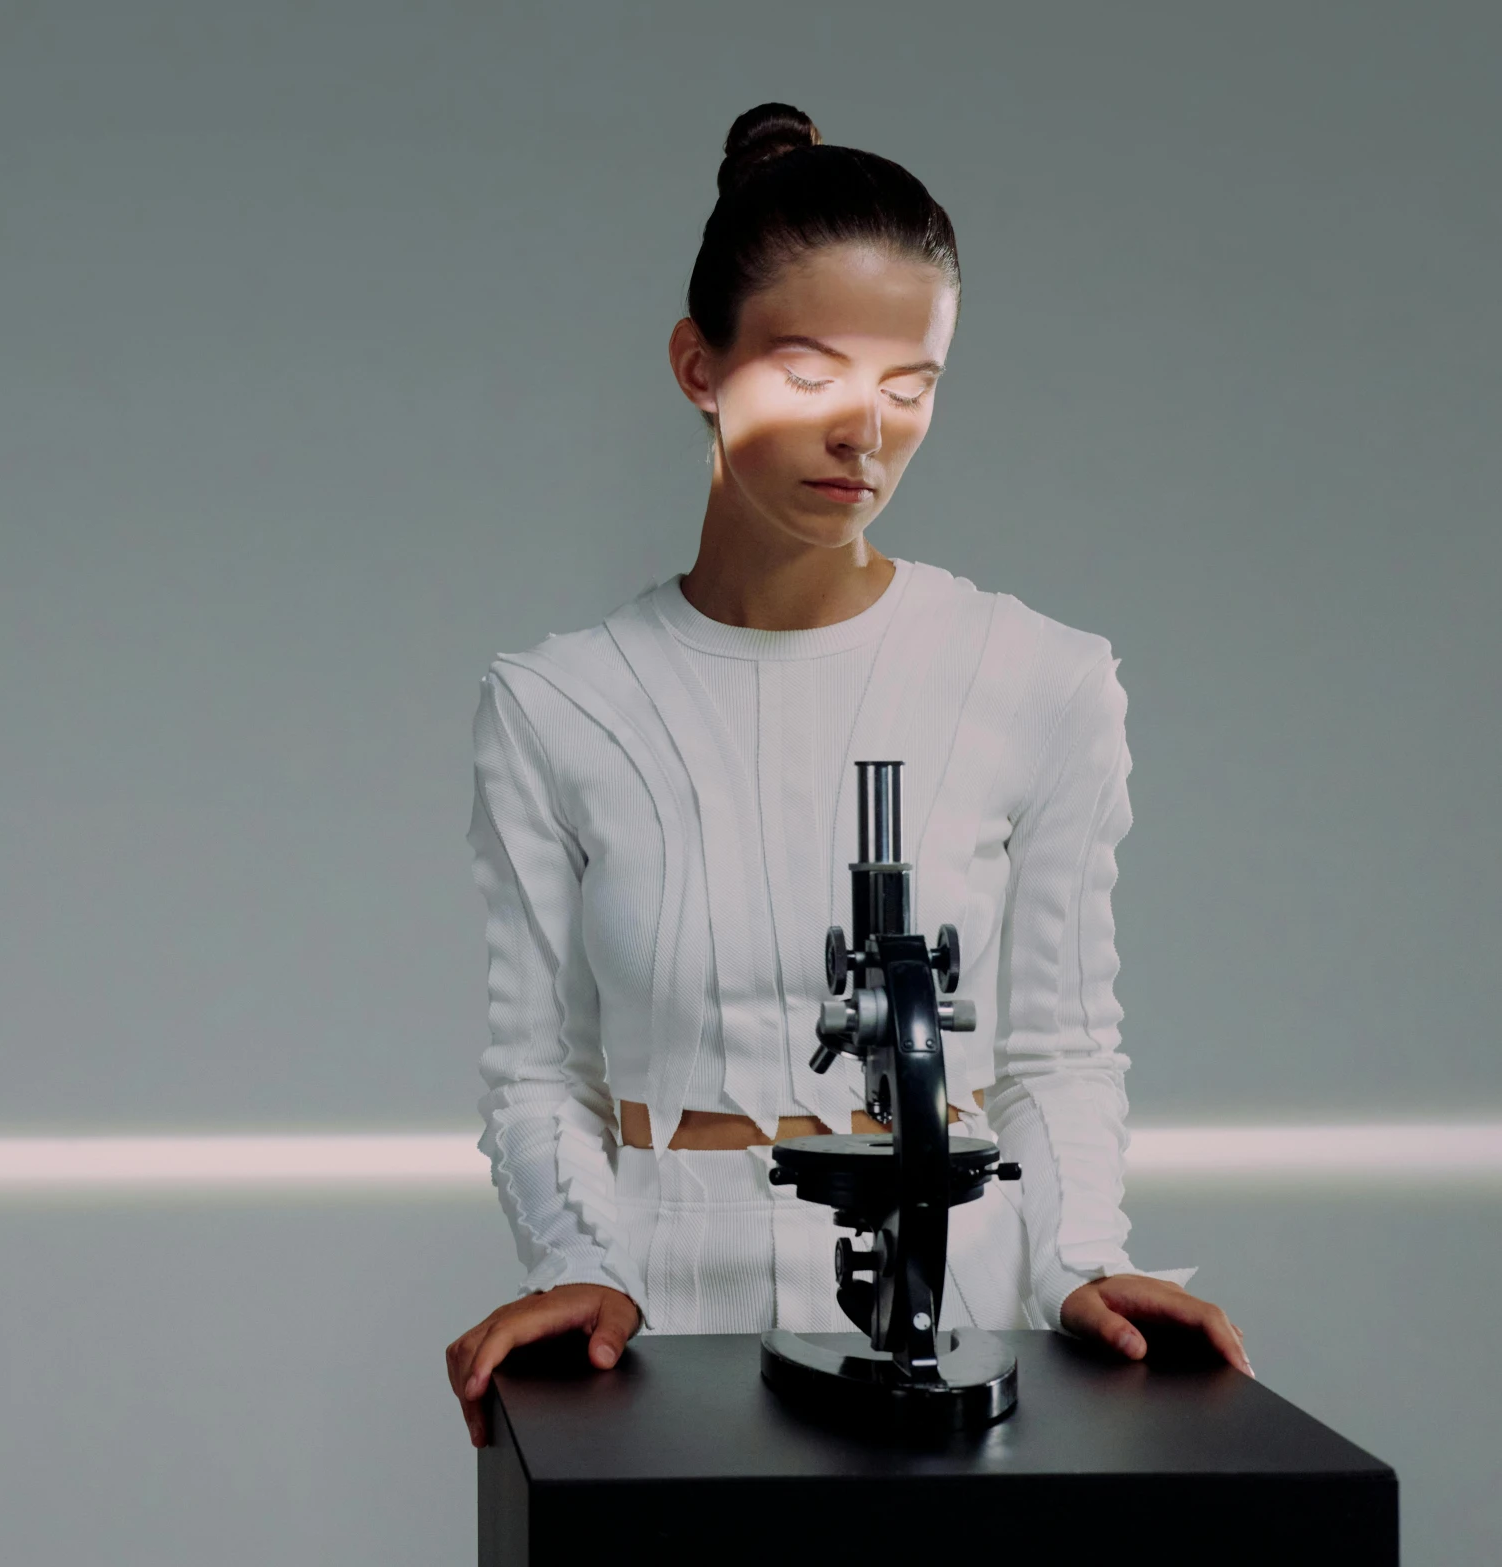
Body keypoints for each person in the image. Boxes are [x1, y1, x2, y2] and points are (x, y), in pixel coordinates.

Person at [444, 102, 1251, 1448]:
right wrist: (575, 1266)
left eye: (908, 385)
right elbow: (537, 1070)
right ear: (697, 365)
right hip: (652, 1320)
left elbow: (1052, 1049)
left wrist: (1076, 1261)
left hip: (959, 1314)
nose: (861, 433)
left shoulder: (1039, 678)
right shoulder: (556, 704)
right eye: (808, 371)